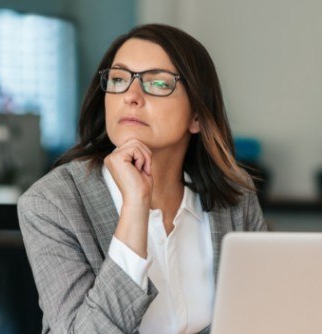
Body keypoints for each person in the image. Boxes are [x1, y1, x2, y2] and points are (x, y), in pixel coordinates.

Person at [17, 24, 266, 334]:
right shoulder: (51, 204)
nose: (131, 96)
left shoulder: (235, 195)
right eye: (119, 80)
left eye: (159, 83)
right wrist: (135, 209)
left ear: (198, 117)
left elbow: (263, 315)